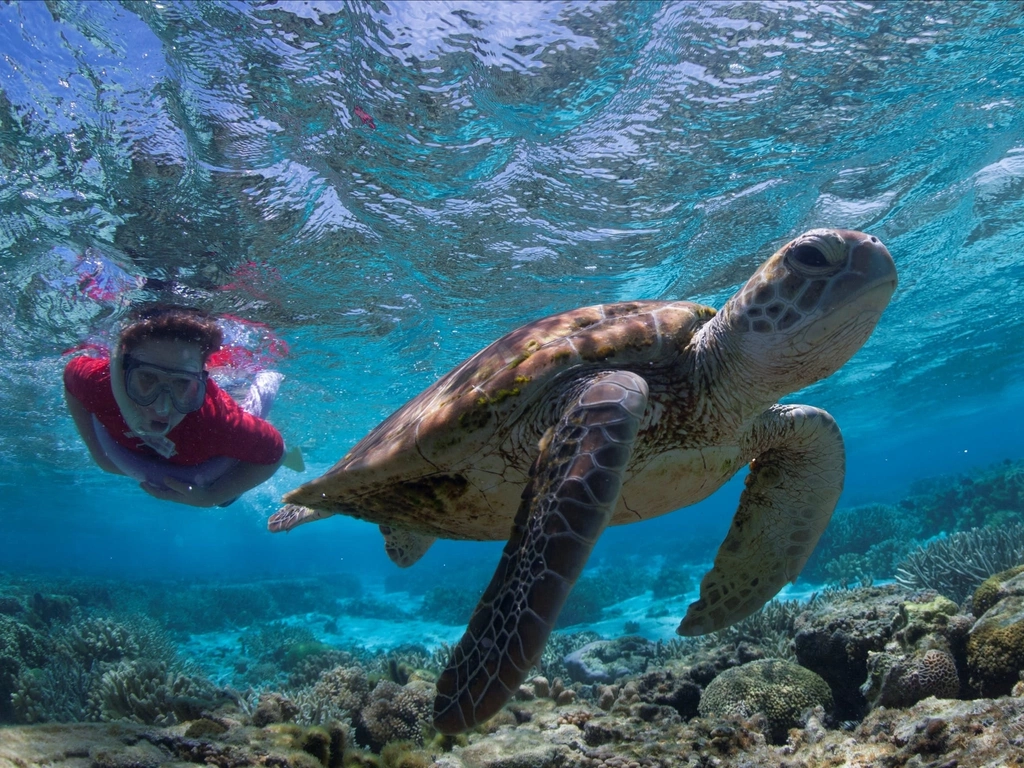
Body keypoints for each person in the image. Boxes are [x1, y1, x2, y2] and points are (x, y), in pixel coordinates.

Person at [64, 305, 288, 507]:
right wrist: (99, 454)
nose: (162, 406)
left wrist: (214, 496)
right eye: (147, 379)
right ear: (122, 374)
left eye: (182, 383)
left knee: (226, 500)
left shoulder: (215, 420)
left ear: (202, 380)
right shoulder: (99, 383)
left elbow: (275, 454)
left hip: (214, 458)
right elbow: (71, 378)